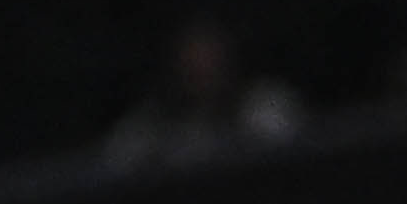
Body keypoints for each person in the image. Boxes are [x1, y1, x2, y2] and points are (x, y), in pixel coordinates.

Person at [99, 15, 299, 167]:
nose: (202, 68)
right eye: (192, 60)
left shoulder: (264, 105)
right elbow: (114, 166)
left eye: (210, 57)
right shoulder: (150, 128)